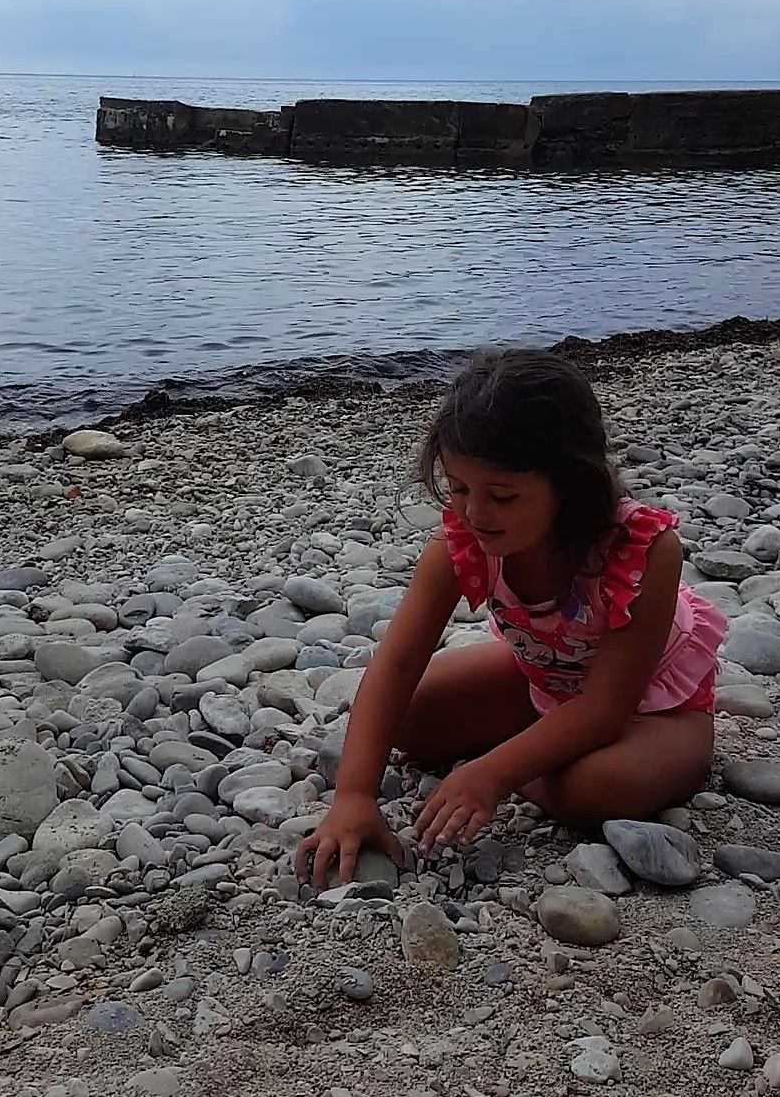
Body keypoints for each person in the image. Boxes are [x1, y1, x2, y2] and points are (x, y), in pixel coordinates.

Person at [297, 347, 726, 890]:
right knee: (412, 719)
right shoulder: (465, 536)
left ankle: (531, 754)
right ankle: (537, 746)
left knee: (597, 789)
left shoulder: (643, 550)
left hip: (653, 707)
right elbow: (399, 662)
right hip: (544, 681)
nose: (475, 512)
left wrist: (492, 772)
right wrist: (353, 796)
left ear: (570, 484)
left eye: (501, 495)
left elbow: (605, 708)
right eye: (458, 487)